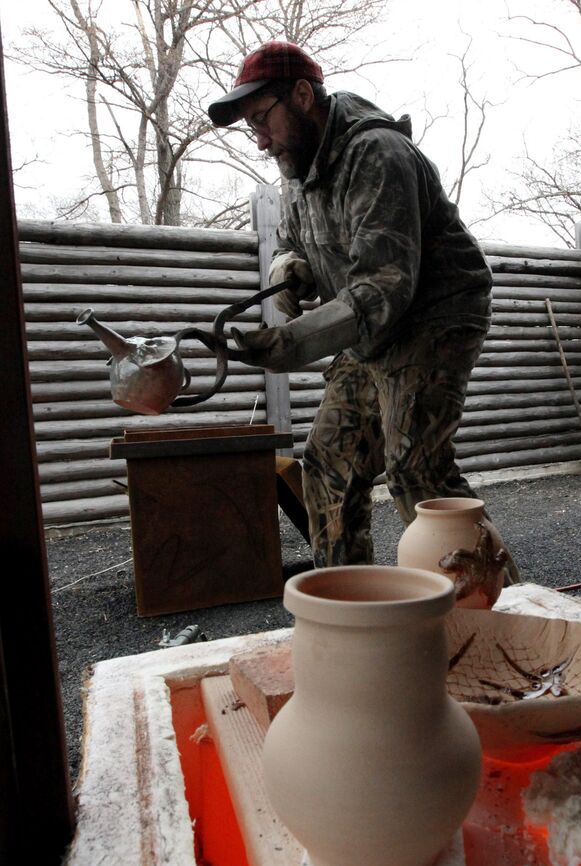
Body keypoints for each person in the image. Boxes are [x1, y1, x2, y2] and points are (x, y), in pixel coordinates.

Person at [208, 41, 519, 582]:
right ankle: (345, 610)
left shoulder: (377, 153)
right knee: (328, 464)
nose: (259, 140)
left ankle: (508, 614)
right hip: (369, 329)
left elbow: (382, 288)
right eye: (250, 127)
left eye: (263, 119)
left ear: (302, 95)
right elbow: (293, 243)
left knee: (416, 469)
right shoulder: (299, 171)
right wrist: (288, 268)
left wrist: (293, 342)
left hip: (433, 316)